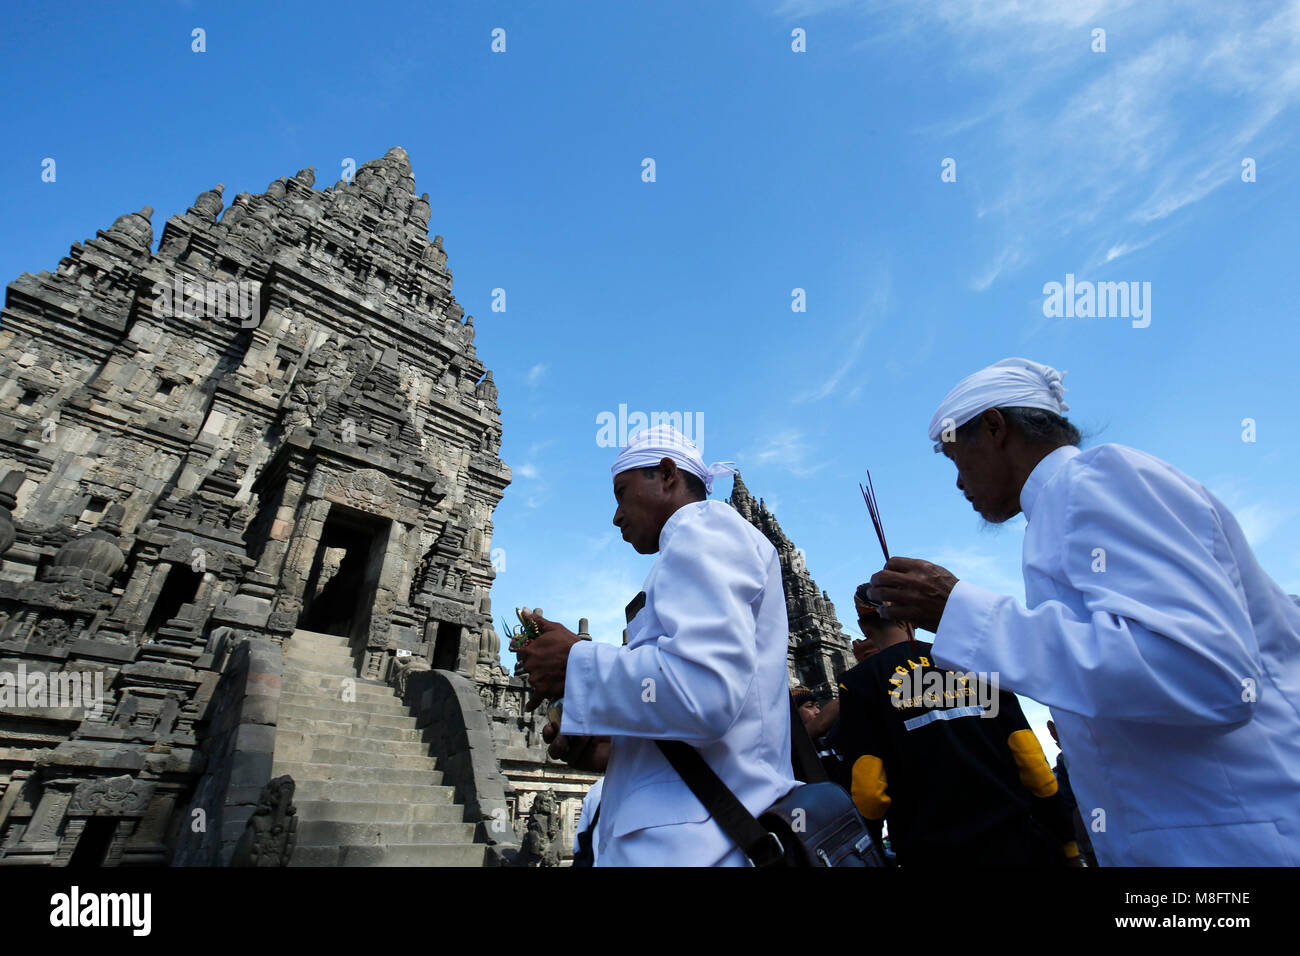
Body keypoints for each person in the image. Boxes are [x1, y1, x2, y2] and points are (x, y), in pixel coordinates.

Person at [867, 357, 1300, 866]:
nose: (959, 482)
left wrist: (960, 610)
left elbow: (1205, 670)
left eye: (956, 458)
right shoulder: (1056, 510)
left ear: (994, 426)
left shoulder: (1097, 481)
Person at [517, 425, 799, 866]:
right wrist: (613, 747)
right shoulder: (685, 549)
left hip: (707, 849)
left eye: (621, 492)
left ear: (667, 475)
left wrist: (576, 663)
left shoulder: (702, 527)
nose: (616, 515)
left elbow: (705, 692)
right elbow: (693, 709)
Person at [835, 599, 1078, 867]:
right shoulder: (973, 662)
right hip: (1017, 842)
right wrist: (1067, 842)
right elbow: (1032, 763)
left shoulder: (859, 683)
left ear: (864, 629)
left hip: (932, 852)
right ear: (911, 620)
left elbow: (869, 792)